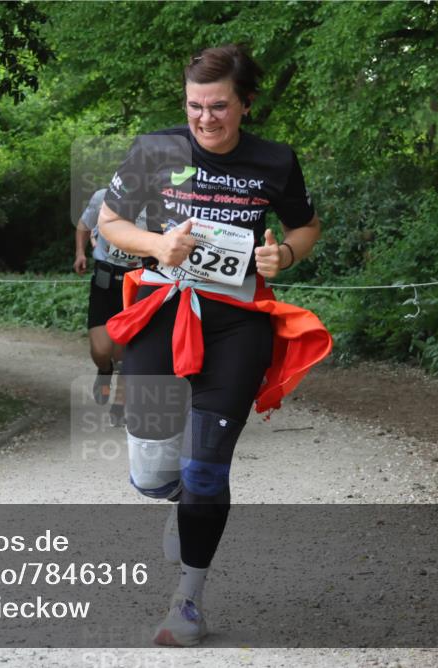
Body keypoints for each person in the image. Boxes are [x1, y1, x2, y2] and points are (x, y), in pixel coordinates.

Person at [98, 44, 332, 647]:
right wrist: (155, 246)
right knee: (152, 474)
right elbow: (109, 222)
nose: (206, 118)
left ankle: (189, 600)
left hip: (235, 324)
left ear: (246, 104)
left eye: (220, 107)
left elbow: (305, 225)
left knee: (206, 468)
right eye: (196, 106)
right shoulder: (155, 150)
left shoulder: (275, 161)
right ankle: (178, 498)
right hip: (160, 311)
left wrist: (286, 253)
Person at [73, 188, 146, 426]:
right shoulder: (102, 197)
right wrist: (80, 253)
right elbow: (84, 225)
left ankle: (120, 406)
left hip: (137, 281)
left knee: (125, 353)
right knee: (102, 350)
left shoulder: (158, 203)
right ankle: (104, 372)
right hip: (105, 280)